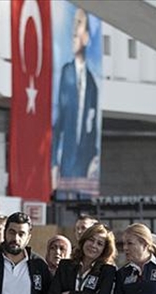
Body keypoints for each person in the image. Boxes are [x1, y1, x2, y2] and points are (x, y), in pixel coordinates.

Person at [52, 7, 99, 182]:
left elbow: (92, 128)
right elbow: (59, 121)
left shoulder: (92, 84)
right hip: (66, 161)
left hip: (84, 164)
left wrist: (93, 160)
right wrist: (53, 163)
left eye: (78, 24)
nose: (73, 31)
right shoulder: (67, 73)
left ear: (86, 37)